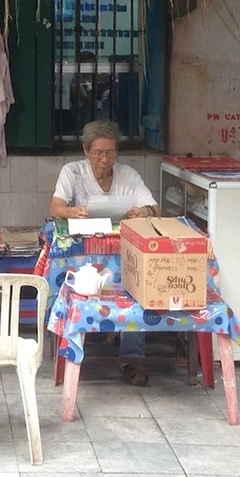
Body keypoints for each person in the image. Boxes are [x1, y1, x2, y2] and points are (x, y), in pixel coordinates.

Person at [49, 120, 157, 385]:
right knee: (69, 286)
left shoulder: (128, 175)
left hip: (122, 252)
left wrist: (142, 211)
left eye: (110, 152)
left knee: (136, 288)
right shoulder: (72, 172)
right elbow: (55, 207)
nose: (104, 159)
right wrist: (73, 211)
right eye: (98, 152)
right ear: (86, 151)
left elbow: (154, 207)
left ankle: (133, 357)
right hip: (82, 254)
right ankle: (71, 350)